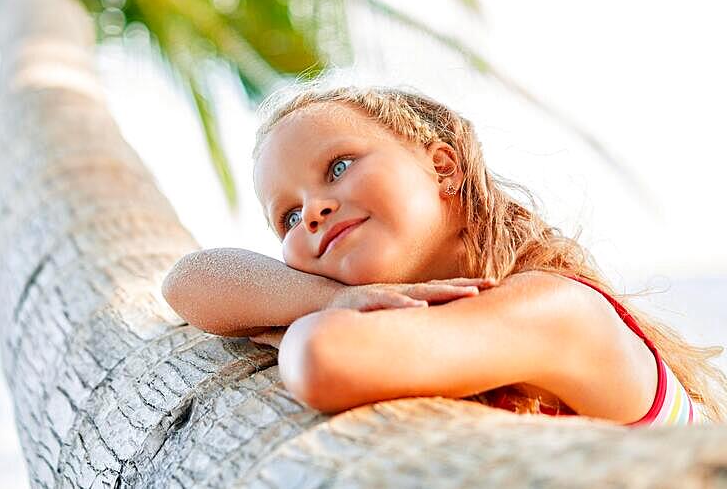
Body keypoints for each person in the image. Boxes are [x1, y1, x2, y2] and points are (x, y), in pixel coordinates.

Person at [162, 83, 727, 425]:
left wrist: (313, 318)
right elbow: (186, 281)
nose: (311, 212)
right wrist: (340, 297)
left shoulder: (557, 309)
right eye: (287, 216)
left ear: (443, 168)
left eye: (338, 167)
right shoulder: (419, 325)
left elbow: (324, 359)